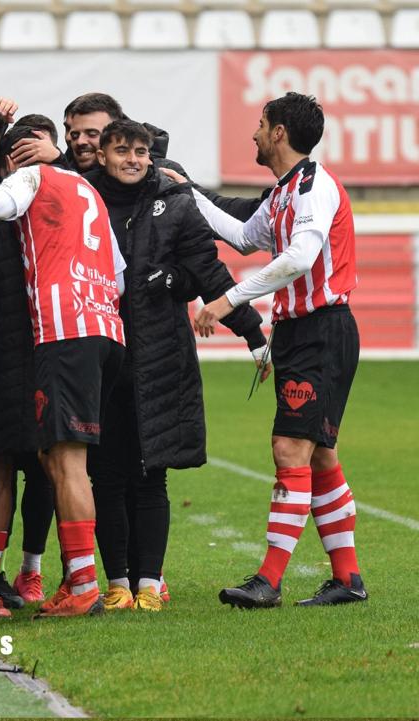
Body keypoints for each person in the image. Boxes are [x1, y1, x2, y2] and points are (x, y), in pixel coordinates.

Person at [0, 124, 127, 619]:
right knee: (62, 460)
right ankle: (76, 581)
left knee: (65, 463)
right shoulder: (89, 192)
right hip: (103, 325)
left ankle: (83, 585)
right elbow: (119, 271)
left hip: (63, 332)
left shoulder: (33, 177)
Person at [188, 92, 366, 608]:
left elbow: (299, 259)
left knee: (290, 450)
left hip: (320, 331)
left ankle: (268, 580)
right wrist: (185, 190)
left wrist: (226, 300)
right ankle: (348, 580)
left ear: (280, 133)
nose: (255, 134)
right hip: (304, 333)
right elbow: (243, 236)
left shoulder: (313, 188)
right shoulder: (286, 190)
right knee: (320, 454)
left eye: (261, 125)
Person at [83, 120, 267, 611]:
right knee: (105, 475)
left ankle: (149, 585)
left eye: (140, 151)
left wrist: (252, 333)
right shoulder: (83, 198)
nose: (133, 159)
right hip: (97, 357)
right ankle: (117, 583)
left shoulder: (175, 202)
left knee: (151, 474)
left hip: (158, 357)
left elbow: (209, 274)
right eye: (122, 150)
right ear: (101, 155)